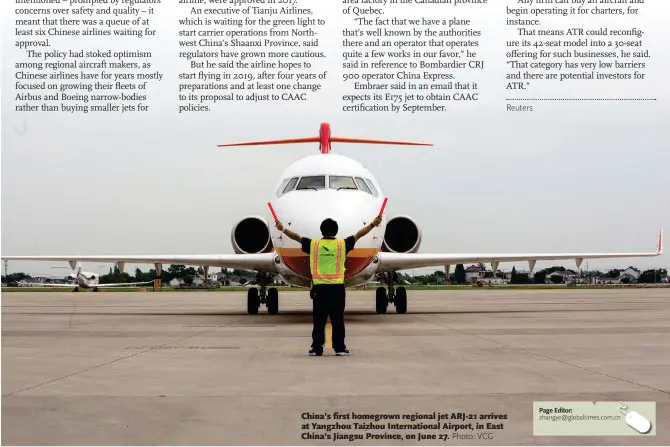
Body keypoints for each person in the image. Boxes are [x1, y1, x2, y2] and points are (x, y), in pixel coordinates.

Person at [275, 215, 382, 356]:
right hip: (337, 290)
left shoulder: (314, 245)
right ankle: (340, 348)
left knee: (318, 321)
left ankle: (317, 348)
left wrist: (282, 228)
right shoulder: (342, 245)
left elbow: (296, 237)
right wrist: (373, 224)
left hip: (319, 290)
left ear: (321, 231)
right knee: (338, 320)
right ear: (336, 231)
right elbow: (359, 235)